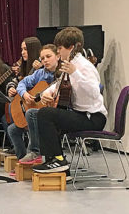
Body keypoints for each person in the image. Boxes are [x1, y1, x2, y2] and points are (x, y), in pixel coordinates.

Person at [32, 27, 107, 173]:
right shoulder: (70, 64)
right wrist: (45, 94)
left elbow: (94, 91)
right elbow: (58, 85)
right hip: (81, 114)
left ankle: (58, 160)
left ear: (72, 48)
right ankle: (54, 163)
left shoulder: (84, 66)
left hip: (93, 117)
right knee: (46, 114)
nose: (58, 51)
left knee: (46, 115)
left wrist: (76, 73)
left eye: (60, 48)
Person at [7, 44, 60, 165]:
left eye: (48, 56)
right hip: (36, 113)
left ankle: (35, 152)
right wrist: (24, 94)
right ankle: (24, 162)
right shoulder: (39, 73)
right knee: (12, 130)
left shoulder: (61, 75)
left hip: (50, 116)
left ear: (57, 56)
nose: (45, 60)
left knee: (31, 114)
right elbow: (22, 83)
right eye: (42, 58)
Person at [2, 37, 42, 154]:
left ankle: (32, 154)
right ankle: (21, 157)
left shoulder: (42, 68)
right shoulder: (23, 67)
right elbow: (14, 81)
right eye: (22, 49)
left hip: (34, 107)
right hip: (23, 106)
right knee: (9, 123)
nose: (22, 52)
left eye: (25, 49)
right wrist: (11, 88)